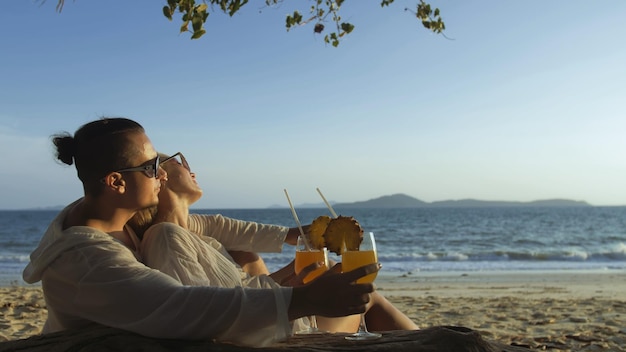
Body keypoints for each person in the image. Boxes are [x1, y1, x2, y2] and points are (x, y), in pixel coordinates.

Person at [22, 117, 379, 347]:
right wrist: (307, 299)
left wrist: (294, 239)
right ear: (115, 182)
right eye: (151, 167)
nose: (162, 174)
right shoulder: (86, 261)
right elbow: (179, 306)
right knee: (373, 304)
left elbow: (217, 227)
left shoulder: (115, 219)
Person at [129, 151, 419, 333]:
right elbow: (207, 312)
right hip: (270, 333)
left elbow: (239, 287)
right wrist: (299, 289)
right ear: (161, 176)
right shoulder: (166, 237)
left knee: (363, 296)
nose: (190, 167)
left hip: (269, 321)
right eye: (180, 161)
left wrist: (296, 272)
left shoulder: (197, 233)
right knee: (371, 300)